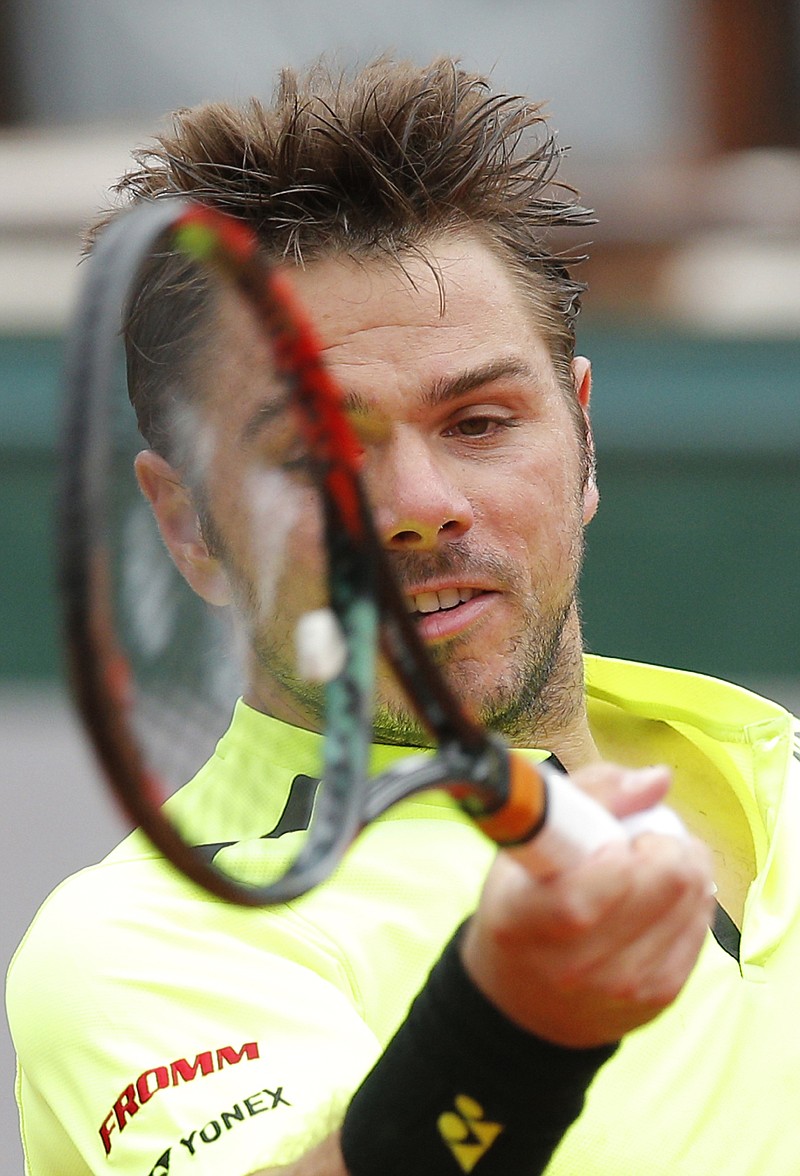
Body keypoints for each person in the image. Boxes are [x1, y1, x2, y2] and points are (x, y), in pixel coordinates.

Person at [7, 56, 795, 1176]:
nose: (419, 508)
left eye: (477, 422)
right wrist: (507, 1030)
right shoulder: (140, 942)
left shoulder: (778, 773)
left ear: (580, 442)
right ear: (188, 527)